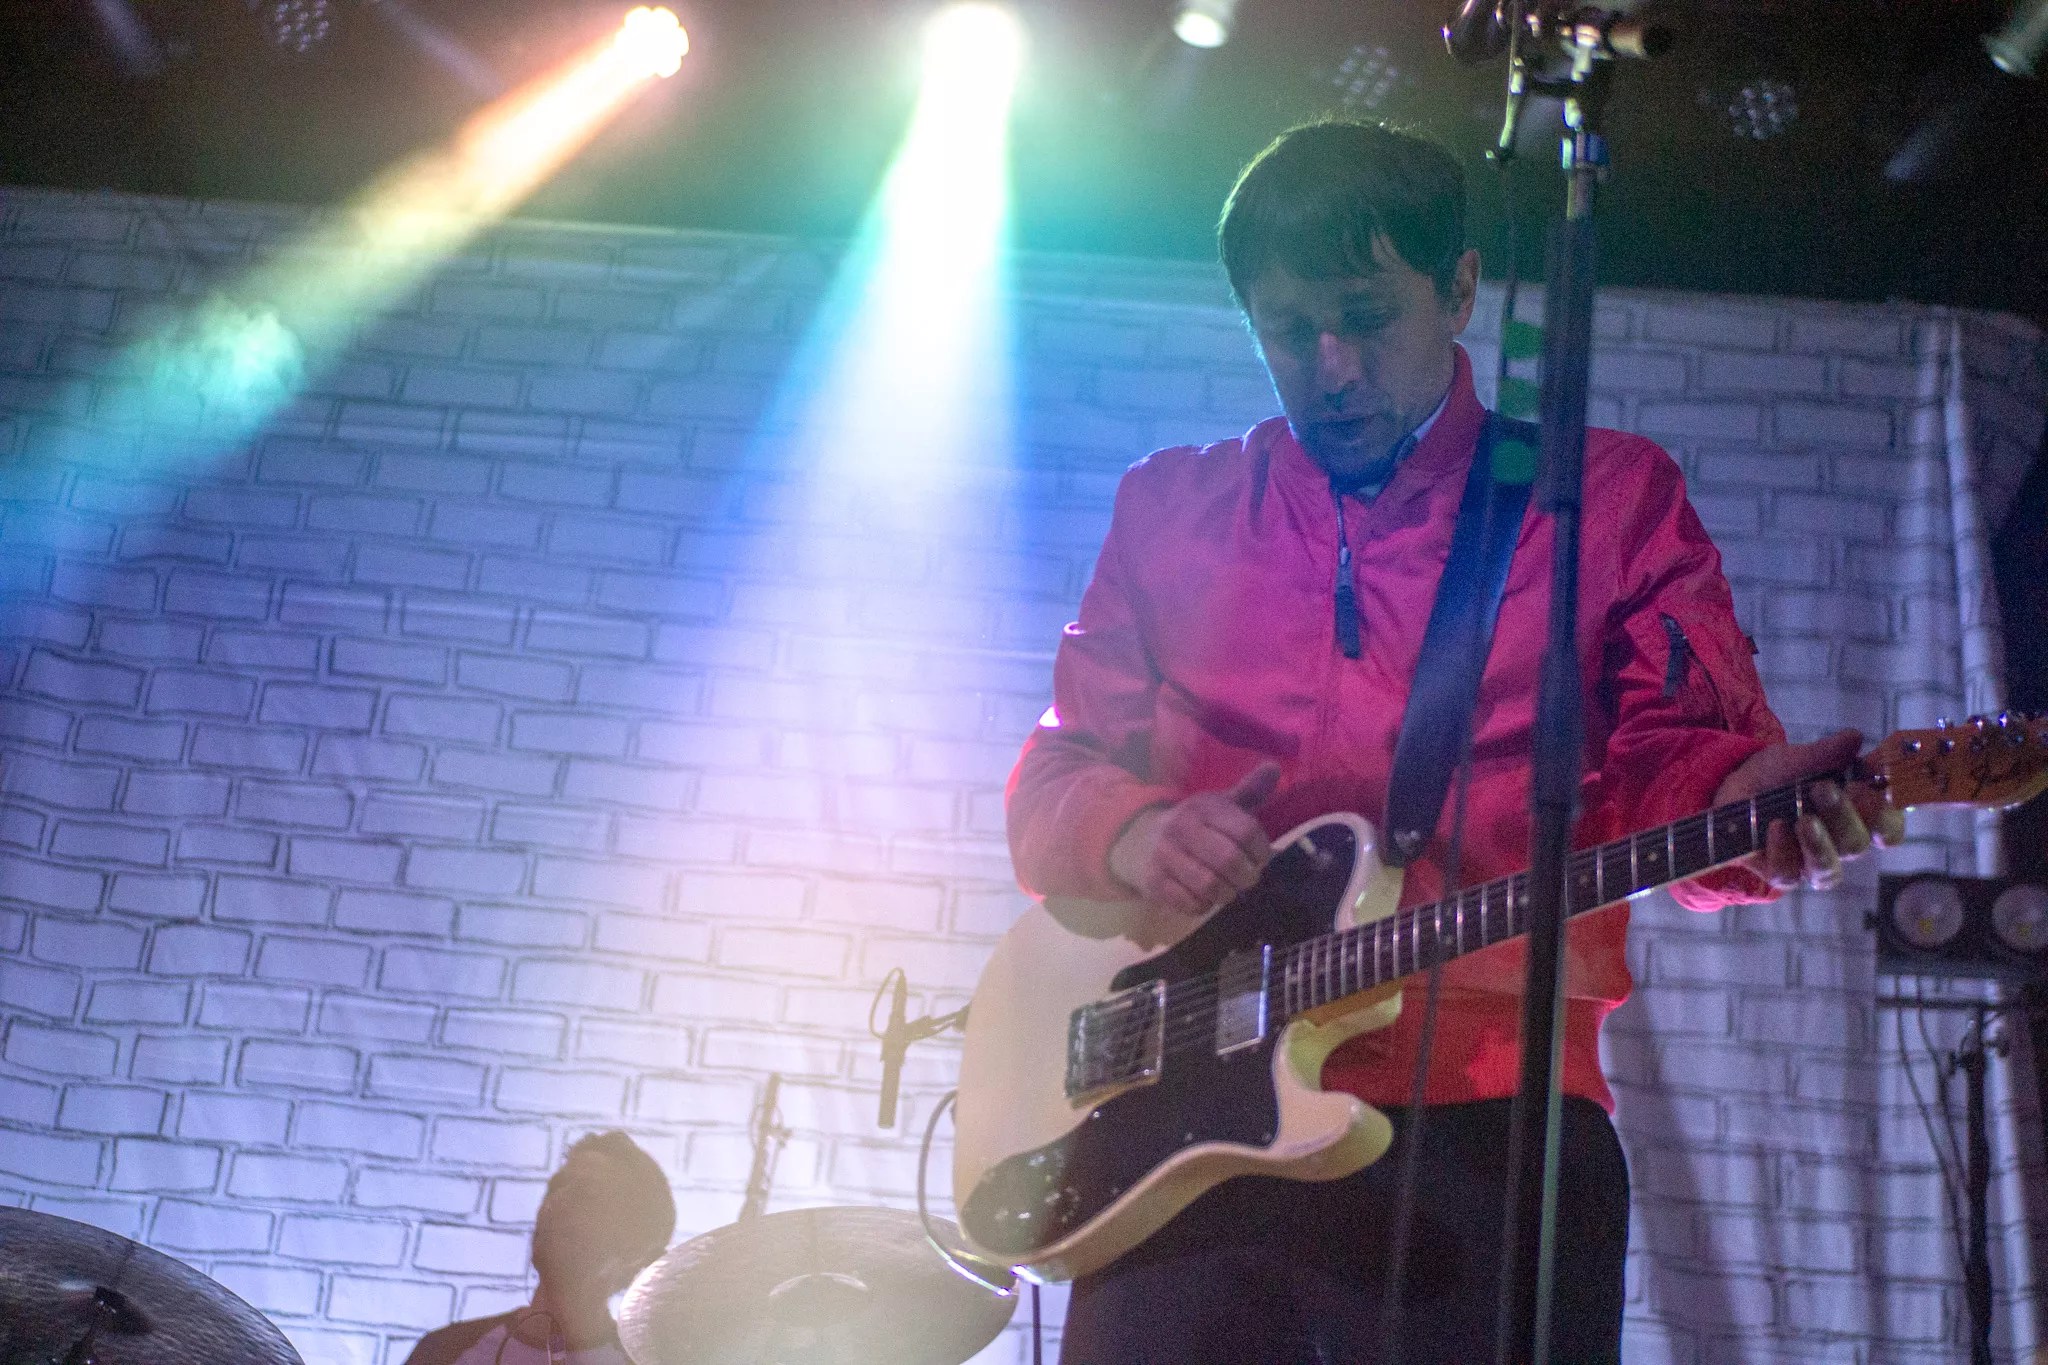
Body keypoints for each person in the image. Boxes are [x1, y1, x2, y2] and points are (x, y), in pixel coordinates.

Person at [1003, 120, 1901, 1364]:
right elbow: (1053, 778)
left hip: (1491, 1127)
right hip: (1180, 1132)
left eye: (1366, 318)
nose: (1329, 367)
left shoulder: (1598, 501)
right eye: (1286, 330)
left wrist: (1749, 805)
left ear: (1461, 289)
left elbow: (1674, 765)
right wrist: (1133, 832)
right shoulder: (1169, 506)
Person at [403, 1131, 676, 1365]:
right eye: (556, 1187)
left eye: (586, 1194)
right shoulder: (446, 1351)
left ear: (635, 1248)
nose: (555, 1202)